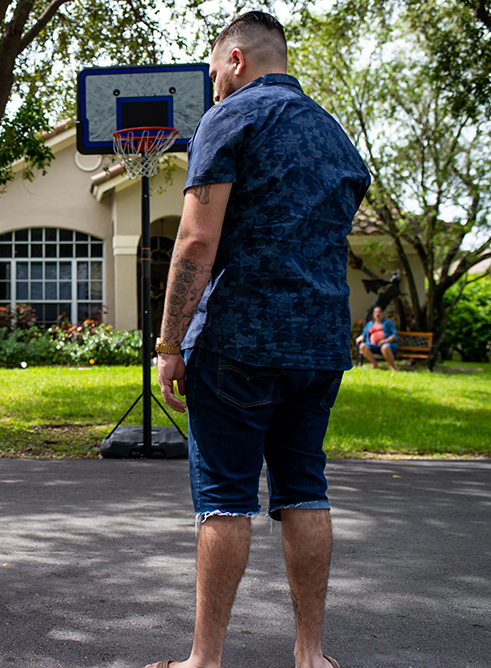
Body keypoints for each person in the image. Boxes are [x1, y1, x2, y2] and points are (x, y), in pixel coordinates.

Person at [151, 11, 371, 668]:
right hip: (321, 340)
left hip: (240, 341)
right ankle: (310, 654)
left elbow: (195, 240)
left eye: (215, 69)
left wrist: (168, 345)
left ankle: (204, 660)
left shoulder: (233, 116)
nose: (213, 83)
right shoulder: (336, 138)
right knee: (305, 487)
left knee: (225, 500)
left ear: (237, 60)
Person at [356, 305, 398, 371]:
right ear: (373, 314)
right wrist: (360, 337)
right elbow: (363, 334)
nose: (377, 314)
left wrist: (385, 340)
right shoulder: (369, 324)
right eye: (375, 312)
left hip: (386, 345)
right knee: (363, 346)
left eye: (379, 312)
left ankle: (393, 367)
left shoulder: (388, 323)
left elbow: (394, 335)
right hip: (373, 345)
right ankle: (375, 365)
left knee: (385, 347)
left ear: (382, 313)